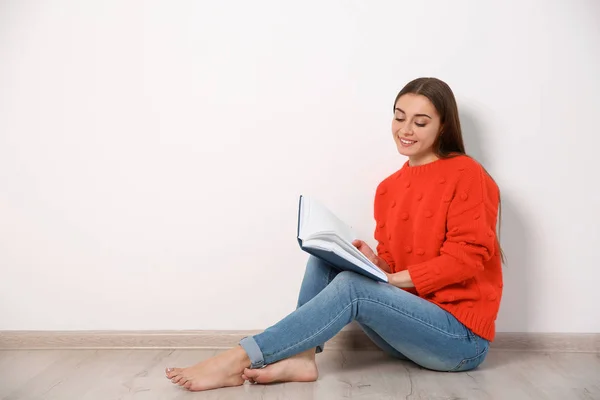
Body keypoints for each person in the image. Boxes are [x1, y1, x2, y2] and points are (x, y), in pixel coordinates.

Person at [165, 77, 503, 392]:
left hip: (458, 341)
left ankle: (238, 357)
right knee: (324, 257)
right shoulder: (389, 188)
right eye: (399, 117)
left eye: (420, 121)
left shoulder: (467, 173)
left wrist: (391, 279)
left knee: (353, 288)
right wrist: (373, 262)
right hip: (410, 330)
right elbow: (396, 268)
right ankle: (302, 358)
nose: (405, 129)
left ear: (443, 126)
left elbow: (468, 257)